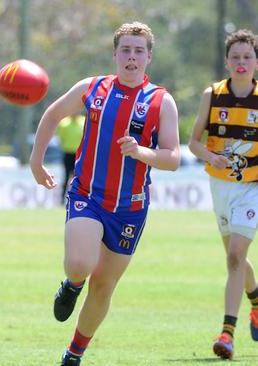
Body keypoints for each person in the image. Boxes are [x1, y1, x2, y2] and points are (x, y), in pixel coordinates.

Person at [29, 22, 180, 366]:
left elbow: (172, 157)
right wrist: (36, 161)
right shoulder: (93, 88)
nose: (131, 57)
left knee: (103, 286)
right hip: (88, 194)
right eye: (125, 50)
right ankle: (71, 283)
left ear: (149, 57)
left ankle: (74, 353)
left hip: (130, 209)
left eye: (138, 50)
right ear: (114, 55)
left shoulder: (161, 101)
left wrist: (141, 152)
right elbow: (53, 114)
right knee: (81, 264)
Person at [187, 29, 258, 360]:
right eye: (235, 57)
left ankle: (227, 334)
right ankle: (256, 301)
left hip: (253, 187)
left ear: (255, 61)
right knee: (235, 258)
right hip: (220, 185)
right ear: (226, 61)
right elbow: (193, 142)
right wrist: (210, 156)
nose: (241, 62)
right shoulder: (212, 95)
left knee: (234, 257)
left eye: (247, 56)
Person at [56, 114, 86, 201]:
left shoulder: (83, 121)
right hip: (68, 153)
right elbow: (61, 138)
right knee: (66, 177)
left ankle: (78, 198)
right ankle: (62, 199)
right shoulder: (64, 123)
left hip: (80, 155)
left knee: (79, 177)